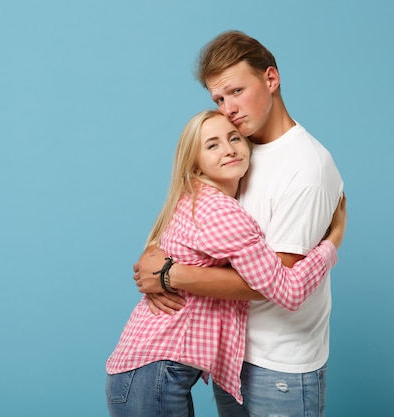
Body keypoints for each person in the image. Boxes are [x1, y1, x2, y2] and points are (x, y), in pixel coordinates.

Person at [134, 31, 345, 417]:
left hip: (279, 365)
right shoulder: (237, 151)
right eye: (218, 99)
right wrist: (155, 256)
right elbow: (194, 224)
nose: (227, 108)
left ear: (270, 79)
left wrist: (169, 275)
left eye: (235, 91)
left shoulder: (305, 168)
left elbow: (275, 284)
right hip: (231, 356)